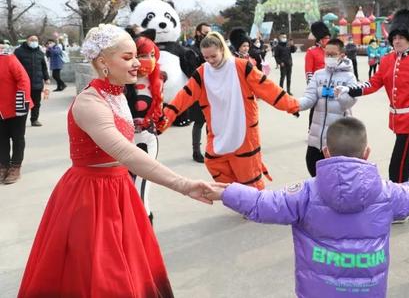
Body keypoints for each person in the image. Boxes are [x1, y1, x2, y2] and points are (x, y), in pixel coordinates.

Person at [18, 24, 216, 297]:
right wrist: (184, 184)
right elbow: (124, 152)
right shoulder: (89, 102)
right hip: (91, 197)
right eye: (127, 57)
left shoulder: (116, 93)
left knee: (129, 269)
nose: (137, 63)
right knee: (102, 275)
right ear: (102, 62)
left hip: (120, 188)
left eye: (136, 55)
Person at [209, 117, 409, 298]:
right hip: (368, 292)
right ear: (367, 153)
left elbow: (262, 204)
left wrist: (225, 192)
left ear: (325, 152)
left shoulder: (304, 193)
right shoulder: (388, 192)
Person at [157, 31, 300, 190]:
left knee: (248, 171)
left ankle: (256, 203)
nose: (210, 61)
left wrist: (291, 105)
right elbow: (183, 97)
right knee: (214, 162)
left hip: (243, 129)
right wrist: (164, 120)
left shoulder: (241, 66)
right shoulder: (203, 72)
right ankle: (238, 194)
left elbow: (267, 88)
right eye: (206, 57)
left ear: (222, 50)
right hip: (218, 130)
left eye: (213, 56)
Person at [347, 9, 409, 223]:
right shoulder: (387, 60)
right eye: (395, 37)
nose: (397, 41)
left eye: (401, 37)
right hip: (397, 122)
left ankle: (399, 209)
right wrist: (351, 89)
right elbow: (374, 84)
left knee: (398, 169)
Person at [297, 38, 357, 176]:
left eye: (333, 54)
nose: (329, 57)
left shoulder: (349, 77)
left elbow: (349, 103)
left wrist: (341, 94)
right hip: (315, 137)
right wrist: (294, 104)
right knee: (313, 168)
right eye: (327, 54)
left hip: (336, 139)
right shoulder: (318, 75)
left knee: (334, 177)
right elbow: (309, 98)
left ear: (342, 55)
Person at [124, 35, 164, 224]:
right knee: (126, 185)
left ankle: (145, 226)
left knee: (142, 185)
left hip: (148, 138)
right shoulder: (119, 82)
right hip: (124, 141)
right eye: (142, 54)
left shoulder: (158, 82)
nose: (147, 59)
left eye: (151, 54)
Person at [0, 42, 31, 184]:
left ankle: (15, 166)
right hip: (0, 110)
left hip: (16, 106)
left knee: (17, 137)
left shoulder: (9, 59)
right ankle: (3, 166)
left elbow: (23, 80)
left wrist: (21, 103)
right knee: (1, 138)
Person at [14, 35, 50, 127]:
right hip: (23, 84)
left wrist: (46, 78)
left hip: (37, 83)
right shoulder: (19, 52)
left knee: (36, 103)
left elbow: (44, 67)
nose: (34, 41)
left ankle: (34, 120)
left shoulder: (40, 52)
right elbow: (14, 67)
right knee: (23, 103)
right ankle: (20, 121)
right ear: (27, 40)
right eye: (32, 40)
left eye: (36, 40)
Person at [189, 22, 211, 163]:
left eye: (209, 32)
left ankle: (212, 149)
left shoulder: (212, 48)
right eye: (205, 32)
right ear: (198, 32)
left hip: (212, 91)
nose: (207, 35)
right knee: (199, 122)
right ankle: (196, 151)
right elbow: (192, 71)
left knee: (212, 122)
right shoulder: (192, 50)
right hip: (198, 91)